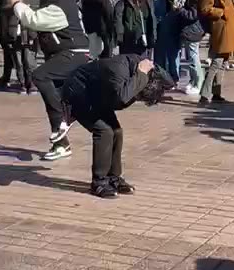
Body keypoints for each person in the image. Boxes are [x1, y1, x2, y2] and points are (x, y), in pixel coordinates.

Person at [61, 54, 174, 198]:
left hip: (98, 97)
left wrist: (155, 74)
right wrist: (140, 75)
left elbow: (169, 81)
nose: (136, 98)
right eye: (139, 96)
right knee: (104, 131)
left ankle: (113, 178)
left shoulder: (146, 69)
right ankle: (99, 182)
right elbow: (123, 97)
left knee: (117, 131)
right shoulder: (119, 69)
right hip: (78, 93)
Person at [8, 0, 89, 161]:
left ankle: (64, 120)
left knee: (40, 76)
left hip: (72, 53)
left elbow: (33, 19)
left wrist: (17, 3)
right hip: (66, 53)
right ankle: (61, 144)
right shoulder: (60, 4)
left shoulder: (60, 6)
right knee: (55, 99)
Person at [198, 0, 234, 105]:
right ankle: (205, 94)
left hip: (229, 29)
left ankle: (216, 94)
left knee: (223, 62)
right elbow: (205, 8)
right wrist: (222, 12)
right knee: (217, 62)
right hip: (222, 29)